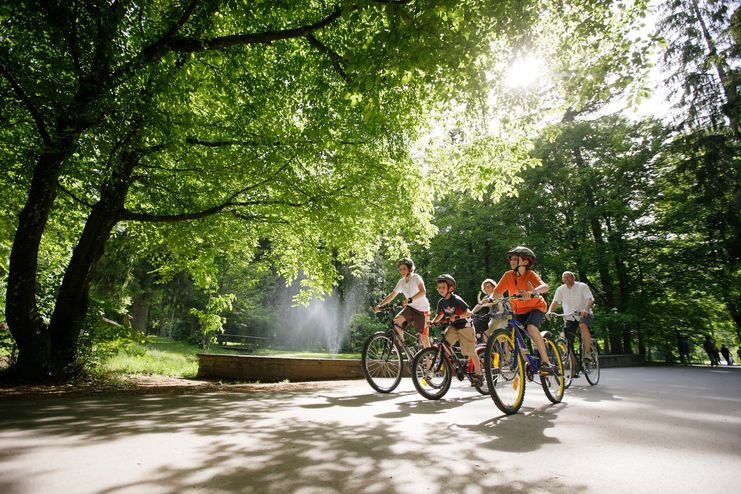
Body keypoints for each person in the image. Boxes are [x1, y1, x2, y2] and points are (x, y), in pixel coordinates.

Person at [488, 246, 553, 375]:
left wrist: (533, 291)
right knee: (515, 335)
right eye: (511, 259)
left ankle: (546, 362)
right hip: (518, 310)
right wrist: (490, 299)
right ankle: (526, 362)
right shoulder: (508, 276)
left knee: (531, 328)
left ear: (525, 261)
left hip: (536, 307)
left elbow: (545, 287)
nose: (512, 261)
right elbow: (496, 292)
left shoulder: (530, 275)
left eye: (515, 259)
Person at [430, 274, 482, 386]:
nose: (440, 290)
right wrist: (433, 322)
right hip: (454, 327)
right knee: (445, 344)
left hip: (465, 326)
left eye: (443, 287)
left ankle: (479, 375)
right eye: (439, 288)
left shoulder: (456, 300)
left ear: (451, 288)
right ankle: (456, 363)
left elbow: (469, 313)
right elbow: (440, 314)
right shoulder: (441, 302)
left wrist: (457, 317)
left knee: (470, 352)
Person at [374, 258, 431, 349]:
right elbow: (392, 295)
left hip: (422, 310)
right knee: (396, 322)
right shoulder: (401, 282)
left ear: (410, 268)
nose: (402, 271)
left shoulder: (415, 277)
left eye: (404, 268)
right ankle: (402, 347)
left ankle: (429, 362)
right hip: (410, 308)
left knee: (423, 337)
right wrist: (380, 305)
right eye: (400, 269)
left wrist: (409, 299)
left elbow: (423, 291)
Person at [546, 271, 595, 367]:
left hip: (584, 314)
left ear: (574, 278)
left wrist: (586, 309)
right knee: (566, 338)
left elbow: (590, 299)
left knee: (582, 325)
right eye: (564, 277)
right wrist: (549, 311)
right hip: (570, 317)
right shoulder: (560, 289)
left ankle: (588, 353)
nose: (566, 279)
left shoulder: (582, 286)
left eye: (569, 277)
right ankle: (574, 365)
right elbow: (555, 301)